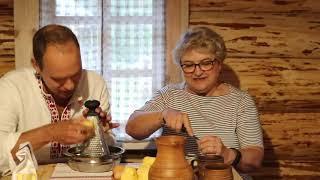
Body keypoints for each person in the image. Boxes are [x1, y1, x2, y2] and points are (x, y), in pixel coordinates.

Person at [126, 26, 264, 179]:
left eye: (206, 63)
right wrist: (162, 115)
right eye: (189, 65)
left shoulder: (241, 101)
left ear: (219, 64)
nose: (197, 72)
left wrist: (228, 154)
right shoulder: (169, 95)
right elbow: (132, 128)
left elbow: (255, 159)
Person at [0, 24, 119, 172]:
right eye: (58, 79)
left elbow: (109, 147)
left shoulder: (95, 82)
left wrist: (99, 133)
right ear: (36, 66)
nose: (69, 86)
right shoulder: (12, 86)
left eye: (76, 74)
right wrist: (50, 132)